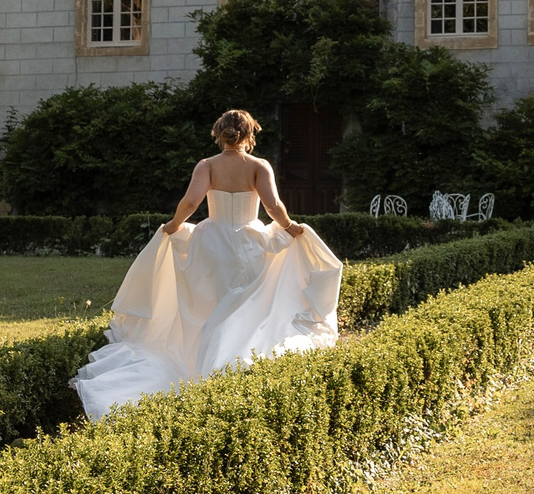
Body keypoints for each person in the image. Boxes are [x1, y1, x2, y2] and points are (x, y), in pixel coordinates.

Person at [70, 109, 343, 421]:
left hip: (211, 244)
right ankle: (226, 367)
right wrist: (289, 226)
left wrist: (174, 225)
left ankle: (203, 361)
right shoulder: (258, 166)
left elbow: (190, 202)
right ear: (249, 134)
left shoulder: (207, 165)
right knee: (240, 306)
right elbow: (273, 205)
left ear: (219, 134)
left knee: (210, 304)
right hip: (247, 245)